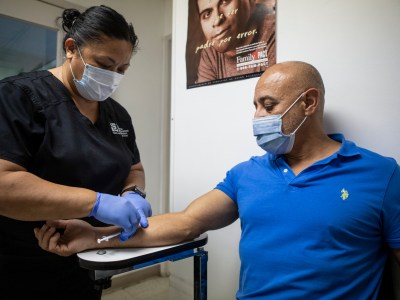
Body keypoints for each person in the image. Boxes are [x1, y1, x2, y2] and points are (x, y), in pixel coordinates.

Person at [35, 61, 400, 299]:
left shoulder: (379, 175)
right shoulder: (247, 174)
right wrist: (95, 235)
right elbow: (184, 224)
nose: (257, 117)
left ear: (309, 103)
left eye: (268, 106)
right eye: (255, 106)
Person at [0, 5, 152, 300]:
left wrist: (133, 193)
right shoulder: (16, 97)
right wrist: (94, 203)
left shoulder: (117, 115)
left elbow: (134, 167)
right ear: (72, 48)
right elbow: (4, 184)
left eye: (122, 70)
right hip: (20, 267)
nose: (113, 76)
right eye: (104, 64)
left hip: (86, 259)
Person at [193, 0, 276, 84]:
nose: (217, 21)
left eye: (224, 2)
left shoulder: (274, 33)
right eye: (207, 14)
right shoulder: (210, 55)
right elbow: (205, 96)